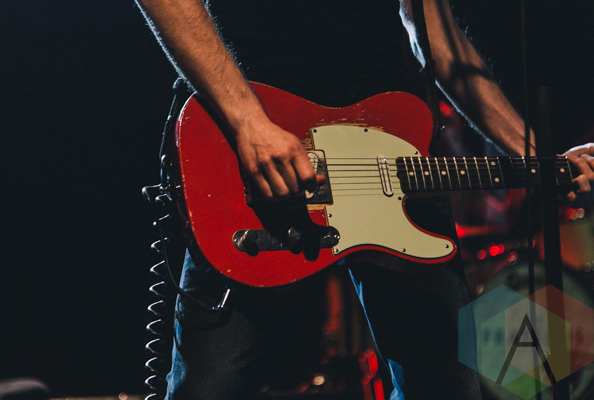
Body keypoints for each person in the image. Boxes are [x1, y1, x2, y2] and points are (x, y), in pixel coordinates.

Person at [134, 1, 594, 399]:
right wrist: (248, 122)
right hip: (254, 143)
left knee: (443, 384)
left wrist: (538, 159)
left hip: (396, 141)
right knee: (214, 384)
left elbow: (437, 32)